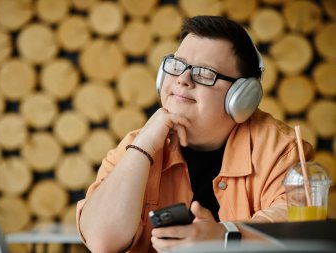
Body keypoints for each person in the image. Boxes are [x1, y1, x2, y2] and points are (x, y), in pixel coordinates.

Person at [76, 15, 313, 253]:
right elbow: (101, 241)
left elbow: (299, 226)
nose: (182, 79)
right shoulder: (135, 145)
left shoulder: (281, 150)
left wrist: (224, 238)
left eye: (204, 73)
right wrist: (143, 147)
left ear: (242, 97)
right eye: (177, 65)